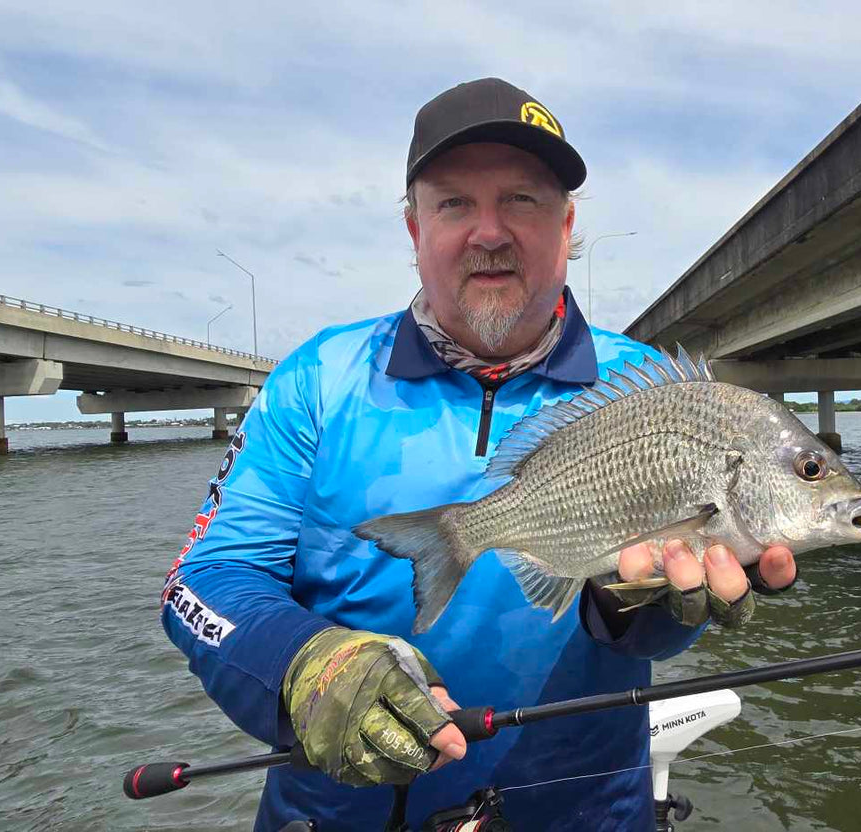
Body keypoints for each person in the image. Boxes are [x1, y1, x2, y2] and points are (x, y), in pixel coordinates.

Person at [161, 77, 797, 832]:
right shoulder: (316, 379)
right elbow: (204, 582)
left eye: (522, 200)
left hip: (585, 814)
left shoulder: (644, 388)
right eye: (455, 203)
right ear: (415, 231)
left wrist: (639, 609)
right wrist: (303, 664)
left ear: (566, 228)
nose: (488, 232)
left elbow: (650, 625)